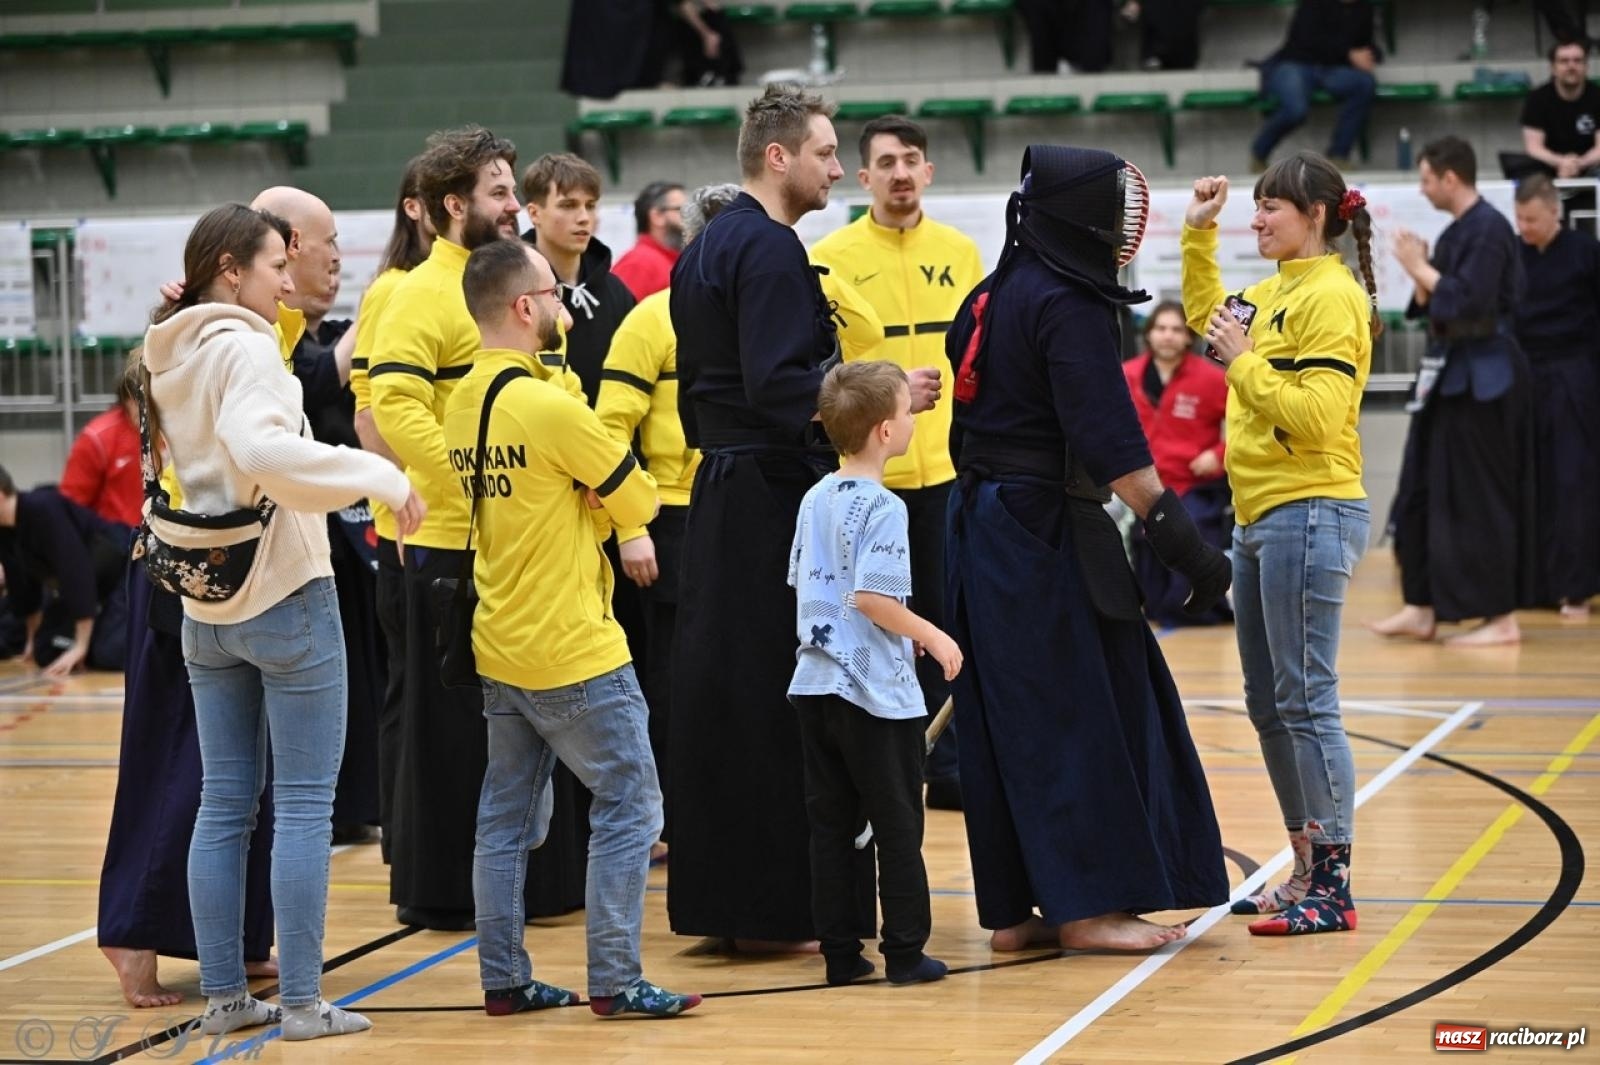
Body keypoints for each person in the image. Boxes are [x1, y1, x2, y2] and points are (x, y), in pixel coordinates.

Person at [668, 84, 942, 950]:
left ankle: (728, 902)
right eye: (825, 153)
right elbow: (782, 386)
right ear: (777, 155)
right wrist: (883, 402)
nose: (835, 167)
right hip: (770, 492)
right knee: (786, 694)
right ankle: (786, 905)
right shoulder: (771, 246)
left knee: (729, 693)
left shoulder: (703, 248)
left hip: (720, 485)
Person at [140, 202, 423, 1040]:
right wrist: (378, 474)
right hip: (284, 591)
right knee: (302, 806)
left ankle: (226, 998)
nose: (287, 281)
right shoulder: (247, 349)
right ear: (232, 271)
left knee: (224, 803)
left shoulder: (170, 347)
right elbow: (263, 451)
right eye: (274, 266)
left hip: (203, 602)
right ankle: (301, 1001)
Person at [943, 144, 1230, 952]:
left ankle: (1014, 911)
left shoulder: (990, 292)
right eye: (1114, 206)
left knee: (1006, 717)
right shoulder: (1068, 303)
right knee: (1082, 713)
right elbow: (1114, 450)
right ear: (1081, 217)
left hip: (982, 528)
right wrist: (1193, 554)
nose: (1124, 221)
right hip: (1042, 533)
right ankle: (1088, 909)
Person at [444, 238, 701, 1020]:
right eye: (555, 293)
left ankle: (504, 977)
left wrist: (586, 493)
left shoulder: (462, 402)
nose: (566, 305)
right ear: (525, 307)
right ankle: (617, 978)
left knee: (503, 820)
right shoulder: (550, 406)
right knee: (632, 804)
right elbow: (641, 500)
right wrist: (597, 496)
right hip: (574, 644)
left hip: (500, 639)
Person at [597, 181, 884, 860]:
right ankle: (673, 820)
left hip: (745, 494)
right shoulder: (654, 316)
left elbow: (865, 341)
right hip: (679, 510)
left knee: (751, 670)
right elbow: (611, 426)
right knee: (688, 677)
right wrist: (631, 525)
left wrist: (817, 282)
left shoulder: (790, 288)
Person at [1183, 151, 1377, 935]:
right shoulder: (1271, 293)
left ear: (1317, 216)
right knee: (1269, 704)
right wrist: (1198, 234)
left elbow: (1319, 418)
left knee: (1306, 701)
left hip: (1312, 508)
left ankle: (1334, 883)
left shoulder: (1333, 296)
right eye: (1256, 205)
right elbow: (1210, 317)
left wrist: (1245, 363)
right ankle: (1304, 869)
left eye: (1272, 207)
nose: (1257, 218)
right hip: (1259, 515)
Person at [371, 125, 526, 931]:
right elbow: (393, 406)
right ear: (453, 205)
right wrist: (468, 475)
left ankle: (516, 882)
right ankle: (440, 888)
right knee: (447, 729)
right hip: (446, 541)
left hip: (515, 534)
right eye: (500, 191)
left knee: (507, 722)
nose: (515, 204)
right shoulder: (415, 294)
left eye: (513, 189)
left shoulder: (508, 281)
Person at [811, 115, 983, 810]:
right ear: (864, 177)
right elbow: (825, 365)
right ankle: (872, 768)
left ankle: (946, 767)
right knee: (868, 621)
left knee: (942, 618)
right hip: (864, 474)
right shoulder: (832, 255)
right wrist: (890, 392)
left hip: (942, 471)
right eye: (886, 162)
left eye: (911, 159)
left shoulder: (961, 251)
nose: (901, 173)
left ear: (929, 171)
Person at [788, 359, 957, 987]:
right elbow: (872, 598)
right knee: (897, 826)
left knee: (831, 826)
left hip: (815, 684)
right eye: (908, 413)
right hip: (873, 696)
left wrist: (896, 632)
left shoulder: (814, 497)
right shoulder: (886, 507)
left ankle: (840, 953)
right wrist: (931, 634)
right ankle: (906, 952)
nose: (913, 421)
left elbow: (809, 583)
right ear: (885, 430)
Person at [1372, 136, 1539, 646]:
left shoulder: (1489, 229)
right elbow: (1435, 305)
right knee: (1420, 490)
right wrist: (1422, 272)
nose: (1422, 190)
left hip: (1484, 376)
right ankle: (1422, 605)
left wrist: (1417, 267)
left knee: (1479, 497)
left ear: (1450, 177)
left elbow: (1470, 302)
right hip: (1446, 373)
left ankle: (1500, 618)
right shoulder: (1455, 232)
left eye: (1426, 179)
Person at [349, 155, 434, 861]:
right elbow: (370, 414)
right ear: (417, 206)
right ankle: (404, 843)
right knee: (409, 690)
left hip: (460, 531)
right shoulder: (393, 289)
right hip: (408, 532)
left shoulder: (463, 284)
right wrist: (406, 500)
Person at [1512, 174, 1600, 618]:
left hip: (1574, 375)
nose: (1525, 227)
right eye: (1520, 219)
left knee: (1572, 479)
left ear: (1554, 212)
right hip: (1526, 375)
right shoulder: (1515, 254)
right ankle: (1534, 585)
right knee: (1532, 479)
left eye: (1532, 219)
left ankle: (1576, 586)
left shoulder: (1586, 252)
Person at [1121, 300, 1231, 627]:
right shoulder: (1126, 376)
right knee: (1153, 599)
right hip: (1142, 487)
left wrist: (1219, 454)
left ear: (1188, 337)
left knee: (1189, 541)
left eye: (1176, 329)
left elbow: (1250, 425)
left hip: (1194, 486)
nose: (1168, 335)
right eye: (1161, 328)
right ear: (1148, 334)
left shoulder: (1212, 379)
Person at [520, 153, 637, 404]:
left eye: (590, 205)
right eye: (568, 205)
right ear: (534, 213)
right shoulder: (514, 291)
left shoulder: (617, 292)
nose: (584, 217)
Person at [0, 467, 128, 678]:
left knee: (109, 654)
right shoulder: (5, 530)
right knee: (45, 651)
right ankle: (98, 637)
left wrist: (80, 645)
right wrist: (31, 642)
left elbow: (75, 571)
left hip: (121, 570)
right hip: (91, 585)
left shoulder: (42, 507)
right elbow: (23, 588)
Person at [1250, 0, 1378, 171]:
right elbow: (1306, 40)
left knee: (1364, 84)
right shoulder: (1313, 3)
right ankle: (1259, 152)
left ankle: (1338, 155)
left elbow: (1364, 43)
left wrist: (1371, 55)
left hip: (1332, 69)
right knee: (1296, 110)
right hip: (1296, 64)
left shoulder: (1364, 8)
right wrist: (1349, 54)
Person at [60, 373, 142, 527]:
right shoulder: (96, 438)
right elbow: (71, 506)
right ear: (126, 400)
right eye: (137, 399)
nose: (144, 407)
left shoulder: (176, 433)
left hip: (172, 535)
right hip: (117, 537)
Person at [1520, 40, 1600, 178]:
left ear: (1586, 66)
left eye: (1577, 61)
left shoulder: (1598, 96)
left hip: (1591, 168)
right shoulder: (1537, 98)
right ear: (1553, 68)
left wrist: (1578, 164)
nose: (1571, 66)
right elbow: (1533, 147)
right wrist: (1561, 162)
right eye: (1564, 61)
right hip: (1548, 168)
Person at [613, 181, 685, 300]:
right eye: (682, 209)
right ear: (657, 216)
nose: (689, 217)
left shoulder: (673, 260)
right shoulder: (639, 263)